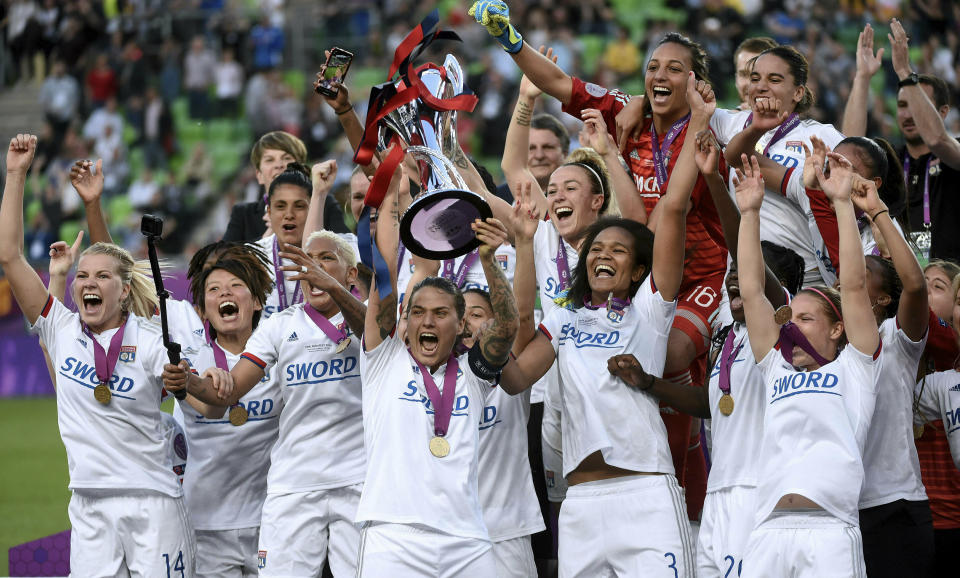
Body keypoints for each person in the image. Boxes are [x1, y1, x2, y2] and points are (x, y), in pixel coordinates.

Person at [471, 2, 725, 520]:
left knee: (669, 364)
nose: (659, 75)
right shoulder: (622, 111)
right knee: (624, 381)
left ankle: (690, 507)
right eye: (653, 66)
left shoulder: (712, 124)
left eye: (674, 69)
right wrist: (512, 39)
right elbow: (562, 85)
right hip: (637, 276)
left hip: (697, 275)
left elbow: (674, 204)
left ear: (697, 83)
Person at [497, 72, 709, 577]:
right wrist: (488, 341)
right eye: (596, 250)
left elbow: (673, 208)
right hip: (581, 505)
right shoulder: (563, 318)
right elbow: (514, 378)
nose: (603, 255)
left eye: (618, 249)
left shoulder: (650, 310)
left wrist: (698, 119)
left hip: (646, 495)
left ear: (638, 271)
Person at [0, 134, 195, 576]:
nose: (88, 282)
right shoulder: (61, 326)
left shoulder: (148, 338)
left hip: (152, 502)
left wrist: (190, 380)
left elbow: (189, 389)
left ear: (124, 290)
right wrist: (16, 174)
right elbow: (9, 256)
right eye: (82, 274)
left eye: (103, 275)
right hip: (88, 504)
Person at [163, 230, 366, 577]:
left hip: (358, 480)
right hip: (292, 486)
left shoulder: (370, 320)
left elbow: (374, 333)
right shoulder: (279, 327)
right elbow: (226, 395)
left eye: (327, 260)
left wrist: (334, 288)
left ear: (352, 274)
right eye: (309, 261)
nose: (315, 269)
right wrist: (191, 382)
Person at [355, 155, 519, 574]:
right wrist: (394, 199)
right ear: (405, 322)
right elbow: (384, 276)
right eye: (419, 312)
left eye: (441, 313)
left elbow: (508, 326)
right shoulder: (383, 359)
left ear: (462, 324)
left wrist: (488, 260)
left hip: (467, 540)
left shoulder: (473, 374)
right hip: (392, 537)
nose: (427, 320)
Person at [733, 149, 880, 577]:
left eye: (805, 318)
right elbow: (753, 290)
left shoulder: (855, 368)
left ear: (837, 330)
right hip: (766, 534)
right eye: (788, 319)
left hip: (830, 533)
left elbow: (852, 287)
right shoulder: (774, 368)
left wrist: (840, 203)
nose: (790, 327)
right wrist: (749, 212)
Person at [171, 243, 280, 577]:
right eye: (214, 290)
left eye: (235, 287)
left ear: (258, 301)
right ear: (203, 310)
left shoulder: (281, 356)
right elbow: (210, 406)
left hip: (273, 522)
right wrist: (189, 381)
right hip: (206, 526)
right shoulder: (190, 364)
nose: (224, 294)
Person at [459, 288, 545, 577]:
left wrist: (522, 243)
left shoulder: (509, 368)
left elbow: (520, 315)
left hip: (506, 531)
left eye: (477, 314)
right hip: (449, 533)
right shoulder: (432, 378)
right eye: (461, 314)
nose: (468, 321)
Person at [888, 19, 960, 262]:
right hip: (906, 284)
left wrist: (905, 73)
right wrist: (863, 77)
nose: (909, 114)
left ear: (942, 112)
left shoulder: (954, 150)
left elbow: (937, 139)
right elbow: (848, 146)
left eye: (919, 106)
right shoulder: (891, 159)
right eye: (902, 105)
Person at [223, 131, 348, 242]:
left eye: (287, 158)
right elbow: (223, 260)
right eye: (269, 160)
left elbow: (346, 251)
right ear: (259, 175)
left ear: (302, 170)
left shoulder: (325, 206)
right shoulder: (243, 214)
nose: (279, 165)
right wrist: (267, 238)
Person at [733, 37, 778, 111]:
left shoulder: (796, 121)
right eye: (743, 74)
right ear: (736, 78)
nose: (749, 83)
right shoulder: (723, 121)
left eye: (758, 76)